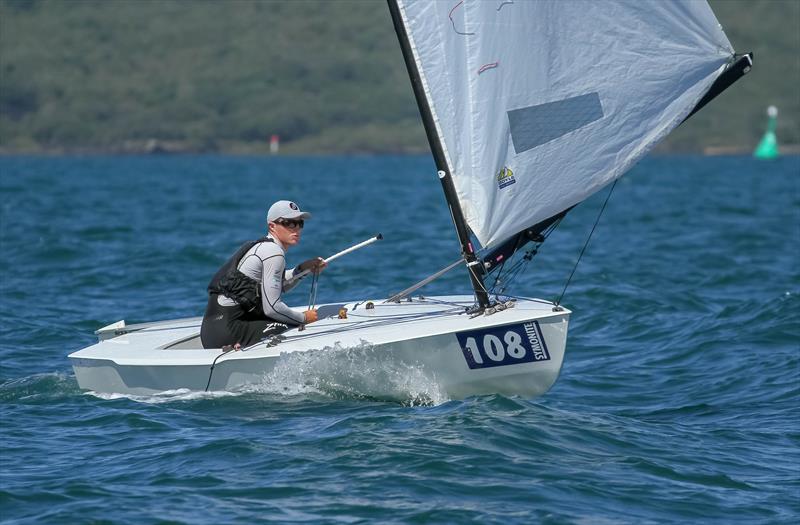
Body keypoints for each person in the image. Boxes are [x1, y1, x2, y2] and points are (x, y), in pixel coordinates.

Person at [200, 200, 327, 349]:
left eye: (300, 223)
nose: (296, 229)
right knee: (294, 328)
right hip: (229, 330)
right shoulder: (273, 253)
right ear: (272, 226)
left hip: (214, 329)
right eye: (289, 223)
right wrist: (304, 318)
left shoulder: (265, 247)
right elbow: (272, 307)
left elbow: (276, 286)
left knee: (288, 322)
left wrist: (302, 270)